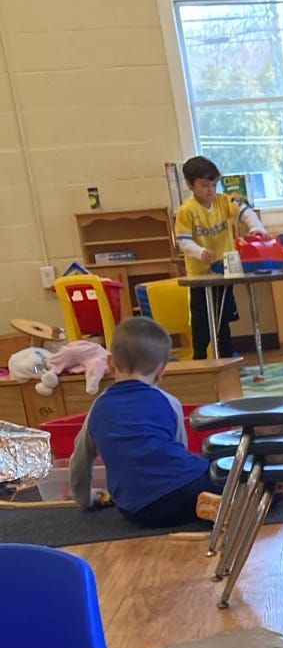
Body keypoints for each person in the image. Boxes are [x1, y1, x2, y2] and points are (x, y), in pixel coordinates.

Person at [68, 316, 222, 528]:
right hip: (186, 490)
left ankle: (212, 506)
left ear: (111, 363)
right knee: (230, 468)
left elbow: (80, 461)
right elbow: (181, 452)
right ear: (161, 372)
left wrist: (85, 498)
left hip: (137, 510)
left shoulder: (97, 407)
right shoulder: (169, 402)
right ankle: (233, 501)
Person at [173, 156, 267, 359]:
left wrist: (257, 228)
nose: (210, 190)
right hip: (200, 277)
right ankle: (200, 357)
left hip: (225, 270)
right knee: (202, 321)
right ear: (190, 184)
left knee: (223, 316)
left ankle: (226, 353)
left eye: (214, 184)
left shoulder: (223, 201)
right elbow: (183, 242)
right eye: (204, 185)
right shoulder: (186, 211)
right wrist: (201, 253)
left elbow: (246, 213)